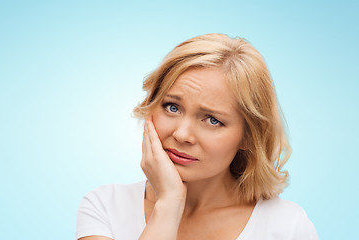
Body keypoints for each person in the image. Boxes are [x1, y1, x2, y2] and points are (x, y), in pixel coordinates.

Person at [75, 33, 318, 240]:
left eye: (213, 120)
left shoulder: (287, 227)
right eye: (172, 107)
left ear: (248, 137)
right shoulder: (105, 207)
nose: (181, 134)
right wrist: (169, 204)